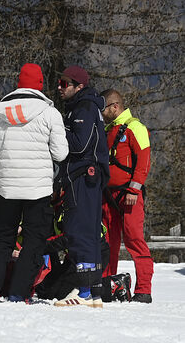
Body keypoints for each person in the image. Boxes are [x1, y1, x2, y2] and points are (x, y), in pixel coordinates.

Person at [0, 63, 68, 302]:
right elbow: (60, 153)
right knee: (34, 242)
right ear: (40, 84)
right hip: (38, 189)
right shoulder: (50, 113)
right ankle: (18, 293)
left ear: (19, 82)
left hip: (6, 187)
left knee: (2, 239)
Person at [53, 64, 109, 308]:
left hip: (83, 177)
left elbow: (78, 145)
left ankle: (84, 291)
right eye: (59, 82)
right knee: (87, 231)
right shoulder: (82, 106)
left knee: (79, 231)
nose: (60, 87)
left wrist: (57, 131)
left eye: (65, 83)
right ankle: (93, 290)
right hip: (86, 178)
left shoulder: (84, 107)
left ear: (79, 86)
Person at [101, 88, 153, 303]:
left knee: (134, 240)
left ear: (115, 107)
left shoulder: (135, 127)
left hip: (130, 196)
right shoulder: (108, 130)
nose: (101, 113)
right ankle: (107, 285)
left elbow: (143, 161)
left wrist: (134, 189)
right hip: (108, 196)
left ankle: (144, 290)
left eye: (103, 108)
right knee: (107, 242)